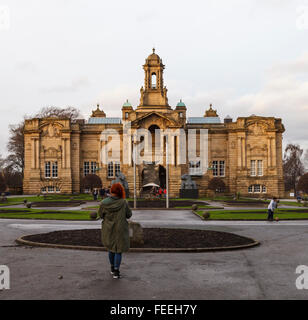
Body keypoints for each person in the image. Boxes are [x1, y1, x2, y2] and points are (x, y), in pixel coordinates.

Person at [98, 183, 132, 279]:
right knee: (118, 250)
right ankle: (116, 271)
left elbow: (100, 215)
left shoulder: (104, 202)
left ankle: (112, 268)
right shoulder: (123, 202)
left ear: (111, 191)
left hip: (108, 229)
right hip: (120, 228)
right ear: (120, 191)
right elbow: (129, 215)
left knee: (111, 249)